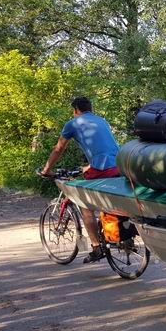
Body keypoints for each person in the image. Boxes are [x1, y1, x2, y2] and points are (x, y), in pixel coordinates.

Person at [40, 97, 120, 263]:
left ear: (76, 110)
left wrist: (46, 170)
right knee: (109, 201)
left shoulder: (72, 124)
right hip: (120, 165)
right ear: (90, 109)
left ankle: (96, 247)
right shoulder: (101, 121)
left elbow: (58, 149)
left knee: (85, 206)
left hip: (102, 169)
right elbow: (105, 150)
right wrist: (88, 167)